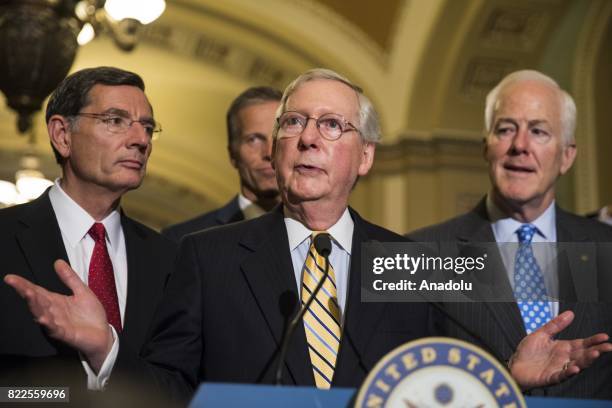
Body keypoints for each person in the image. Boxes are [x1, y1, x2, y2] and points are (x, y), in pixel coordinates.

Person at [5, 69, 610, 402]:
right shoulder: (206, 255)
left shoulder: (411, 260)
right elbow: (167, 390)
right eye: (293, 123)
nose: (308, 137)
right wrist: (105, 348)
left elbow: (436, 386)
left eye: (331, 124)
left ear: (365, 156)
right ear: (274, 147)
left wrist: (508, 374)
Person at [408, 70, 612, 399]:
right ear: (485, 147)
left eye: (539, 131)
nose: (520, 145)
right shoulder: (419, 254)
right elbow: (406, 382)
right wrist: (504, 377)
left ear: (567, 155)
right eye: (505, 129)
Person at [0, 67, 177, 397]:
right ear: (62, 135)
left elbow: (182, 387)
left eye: (148, 127)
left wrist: (107, 351)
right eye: (115, 120)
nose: (140, 140)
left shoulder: (172, 259)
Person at [162, 87, 282, 242]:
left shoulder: (319, 230)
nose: (269, 153)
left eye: (278, 137)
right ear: (232, 154)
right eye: (253, 139)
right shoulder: (182, 240)